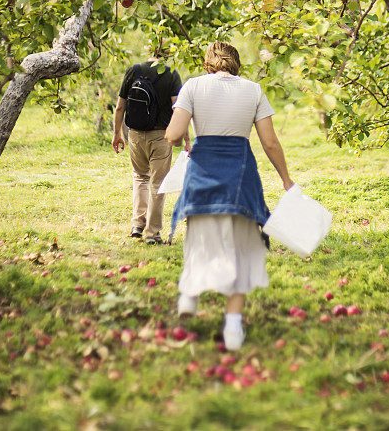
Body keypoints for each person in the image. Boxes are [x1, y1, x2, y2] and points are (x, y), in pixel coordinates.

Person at [165, 41, 294, 350]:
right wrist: (286, 180)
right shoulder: (253, 90)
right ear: (236, 64)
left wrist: (184, 134)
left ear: (208, 63)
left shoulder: (193, 87)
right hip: (240, 175)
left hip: (202, 172)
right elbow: (270, 142)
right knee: (242, 247)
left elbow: (171, 135)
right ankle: (233, 326)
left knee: (200, 237)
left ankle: (189, 296)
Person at [113, 49, 189, 245]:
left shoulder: (133, 70)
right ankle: (152, 234)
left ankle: (137, 225)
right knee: (157, 183)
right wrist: (186, 139)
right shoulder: (171, 74)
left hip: (135, 135)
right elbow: (178, 110)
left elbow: (120, 106)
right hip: (161, 136)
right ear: (167, 55)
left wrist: (117, 135)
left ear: (148, 52)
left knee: (140, 177)